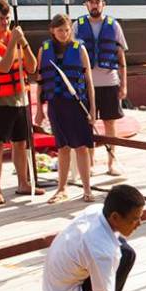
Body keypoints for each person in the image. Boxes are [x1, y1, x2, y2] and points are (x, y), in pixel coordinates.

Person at [0, 0, 42, 206]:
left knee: (20, 143)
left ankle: (23, 183)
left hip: (19, 99)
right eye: (1, 19)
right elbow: (3, 67)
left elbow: (32, 67)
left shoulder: (15, 37)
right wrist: (13, 42)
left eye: (7, 18)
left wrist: (24, 43)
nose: (5, 22)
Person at [35, 14, 96, 204]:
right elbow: (40, 82)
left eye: (67, 30)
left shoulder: (79, 49)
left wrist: (93, 110)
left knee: (81, 147)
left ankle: (87, 189)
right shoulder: (44, 50)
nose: (63, 33)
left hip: (77, 104)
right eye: (59, 30)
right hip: (56, 104)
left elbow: (89, 82)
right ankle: (61, 189)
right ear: (52, 30)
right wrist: (39, 110)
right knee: (62, 147)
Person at [75, 0, 128, 176]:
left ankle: (112, 162)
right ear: (86, 5)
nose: (94, 5)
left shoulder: (114, 26)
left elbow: (121, 57)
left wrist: (124, 85)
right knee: (87, 123)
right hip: (86, 84)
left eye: (97, 2)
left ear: (103, 4)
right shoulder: (77, 25)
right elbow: (71, 54)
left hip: (109, 82)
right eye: (91, 2)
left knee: (110, 124)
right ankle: (90, 163)